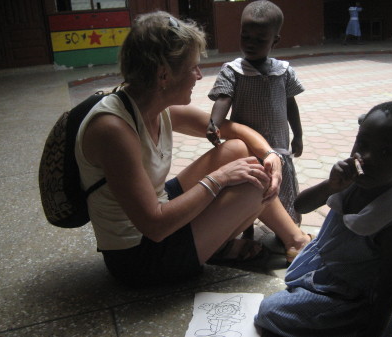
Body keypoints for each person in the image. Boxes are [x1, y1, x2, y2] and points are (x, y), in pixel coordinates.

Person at [75, 11, 311, 288]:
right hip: (140, 254)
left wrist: (271, 155)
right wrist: (220, 178)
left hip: (157, 211)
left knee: (236, 150)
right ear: (163, 75)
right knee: (252, 184)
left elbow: (232, 130)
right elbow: (154, 225)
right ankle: (236, 244)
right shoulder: (113, 129)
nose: (199, 76)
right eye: (192, 68)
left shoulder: (149, 104)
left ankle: (293, 239)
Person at [255, 101, 392, 337]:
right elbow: (300, 206)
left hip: (353, 295)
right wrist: (329, 186)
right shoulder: (349, 182)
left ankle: (355, 321)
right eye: (362, 144)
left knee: (269, 311)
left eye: (386, 152)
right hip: (329, 272)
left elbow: (388, 288)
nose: (366, 157)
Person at [206, 0, 305, 230]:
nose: (250, 44)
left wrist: (298, 135)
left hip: (278, 147)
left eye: (260, 39)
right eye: (245, 36)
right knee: (245, 189)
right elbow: (223, 98)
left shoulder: (284, 71)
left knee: (283, 189)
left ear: (275, 40)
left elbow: (291, 104)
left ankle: (287, 231)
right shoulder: (233, 71)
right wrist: (214, 123)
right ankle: (245, 229)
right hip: (246, 148)